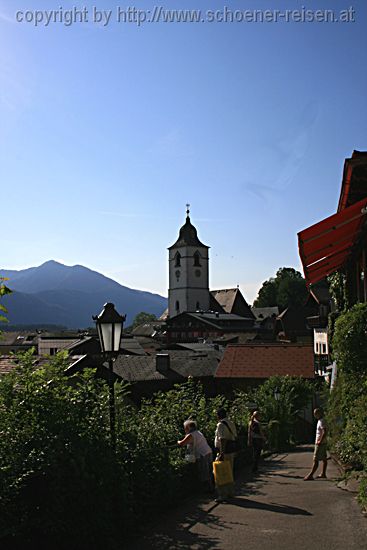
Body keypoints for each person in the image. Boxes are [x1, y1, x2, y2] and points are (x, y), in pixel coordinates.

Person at [177, 420, 213, 490]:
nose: (185, 430)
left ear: (188, 427)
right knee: (208, 471)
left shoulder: (191, 435)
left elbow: (182, 443)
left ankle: (208, 489)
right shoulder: (198, 432)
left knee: (204, 472)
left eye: (185, 428)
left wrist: (178, 441)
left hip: (202, 454)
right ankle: (211, 487)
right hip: (208, 452)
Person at [214, 408, 237, 502]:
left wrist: (221, 453)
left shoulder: (220, 424)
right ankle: (230, 492)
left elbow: (223, 439)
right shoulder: (230, 423)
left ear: (218, 415)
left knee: (220, 473)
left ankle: (222, 494)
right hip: (231, 450)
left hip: (224, 451)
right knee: (229, 471)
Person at [304, 408, 328, 481]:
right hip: (322, 442)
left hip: (320, 443)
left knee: (315, 459)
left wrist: (320, 441)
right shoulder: (320, 421)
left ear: (319, 413)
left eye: (315, 413)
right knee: (324, 458)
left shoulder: (321, 421)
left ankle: (310, 475)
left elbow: (325, 431)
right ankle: (323, 473)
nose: (314, 415)